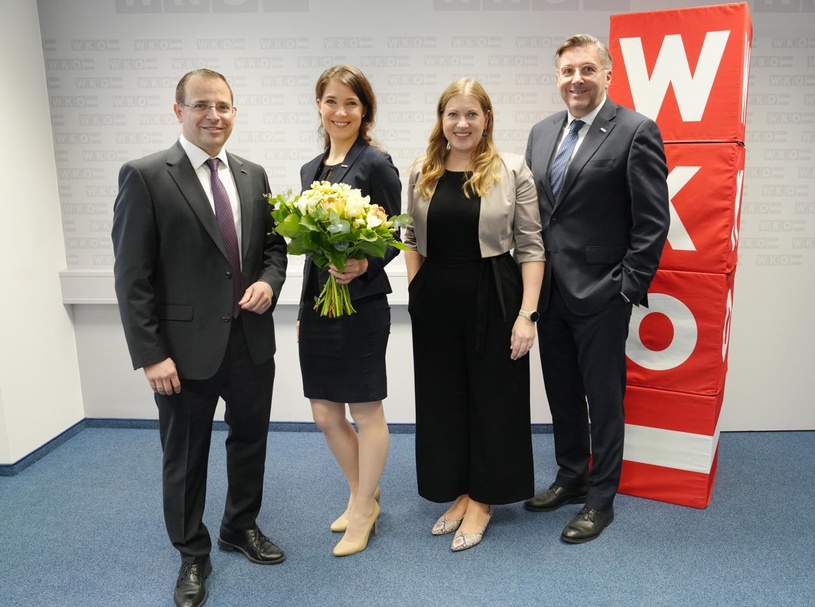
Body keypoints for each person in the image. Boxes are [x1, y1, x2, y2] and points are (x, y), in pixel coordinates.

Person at [111, 69, 288, 607]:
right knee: (186, 455)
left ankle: (240, 526)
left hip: (251, 341)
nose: (215, 115)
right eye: (202, 105)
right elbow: (131, 276)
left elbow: (275, 250)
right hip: (182, 353)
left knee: (249, 440)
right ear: (178, 110)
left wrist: (268, 282)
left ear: (235, 113)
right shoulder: (145, 176)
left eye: (225, 106)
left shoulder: (253, 174)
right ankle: (192, 552)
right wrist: (151, 354)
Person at [523, 34, 670, 543]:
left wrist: (627, 288)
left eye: (587, 70)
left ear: (607, 75)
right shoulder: (541, 133)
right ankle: (571, 477)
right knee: (561, 394)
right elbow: (537, 215)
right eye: (567, 71)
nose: (576, 80)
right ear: (557, 77)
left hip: (603, 294)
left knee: (604, 400)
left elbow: (652, 222)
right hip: (548, 294)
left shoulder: (635, 131)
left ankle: (601, 499)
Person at [405, 78, 544, 552]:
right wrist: (416, 290)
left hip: (495, 293)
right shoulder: (422, 169)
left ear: (486, 119)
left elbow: (531, 246)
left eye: (472, 114)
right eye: (453, 115)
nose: (461, 124)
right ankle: (461, 492)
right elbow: (409, 239)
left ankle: (484, 500)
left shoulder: (511, 168)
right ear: (441, 119)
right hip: (436, 297)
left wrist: (527, 315)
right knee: (445, 399)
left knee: (493, 398)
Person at [297, 65, 402, 557]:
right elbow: (311, 251)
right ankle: (366, 492)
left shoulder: (376, 163)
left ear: (365, 110)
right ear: (319, 105)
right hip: (320, 306)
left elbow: (398, 238)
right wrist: (302, 311)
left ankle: (362, 509)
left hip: (361, 307)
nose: (341, 112)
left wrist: (364, 262)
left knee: (364, 410)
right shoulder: (310, 170)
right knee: (323, 413)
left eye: (351, 104)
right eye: (332, 101)